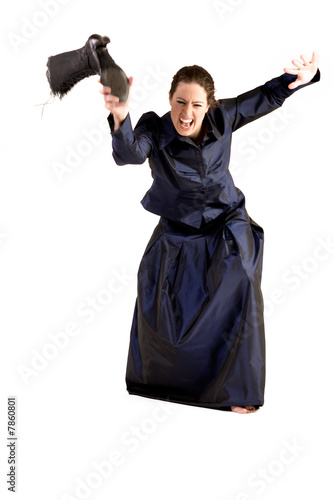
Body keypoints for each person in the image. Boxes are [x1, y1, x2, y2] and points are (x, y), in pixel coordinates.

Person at [99, 52, 320, 414]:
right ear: (170, 100)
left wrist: (306, 77)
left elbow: (267, 95)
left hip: (227, 218)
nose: (187, 114)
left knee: (243, 277)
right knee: (159, 297)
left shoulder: (225, 116)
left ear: (209, 105)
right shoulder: (154, 128)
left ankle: (239, 392)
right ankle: (163, 382)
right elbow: (130, 155)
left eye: (196, 105)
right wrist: (121, 115)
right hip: (178, 227)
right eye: (180, 103)